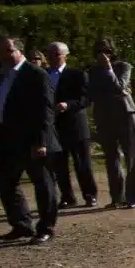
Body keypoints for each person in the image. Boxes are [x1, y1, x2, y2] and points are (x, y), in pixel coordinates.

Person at [0, 35, 61, 244]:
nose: (3, 55)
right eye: (1, 51)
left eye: (8, 51)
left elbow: (45, 110)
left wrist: (41, 142)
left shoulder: (35, 75)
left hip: (32, 141)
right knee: (6, 182)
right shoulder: (4, 75)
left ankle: (46, 227)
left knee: (43, 184)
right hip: (8, 141)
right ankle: (21, 225)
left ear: (19, 51)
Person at [87, 37, 135, 209]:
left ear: (112, 52)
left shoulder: (123, 67)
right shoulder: (92, 72)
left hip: (125, 114)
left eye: (107, 52)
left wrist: (109, 70)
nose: (103, 56)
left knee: (131, 156)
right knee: (111, 158)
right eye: (99, 52)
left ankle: (133, 196)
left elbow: (119, 86)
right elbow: (93, 94)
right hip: (105, 117)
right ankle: (117, 197)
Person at [43, 42, 98, 208]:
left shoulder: (77, 74)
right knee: (59, 165)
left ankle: (90, 195)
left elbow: (85, 99)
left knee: (82, 163)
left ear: (65, 55)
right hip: (55, 126)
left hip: (75, 125)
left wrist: (68, 105)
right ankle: (67, 197)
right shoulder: (43, 75)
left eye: (57, 55)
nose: (53, 58)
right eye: (50, 55)